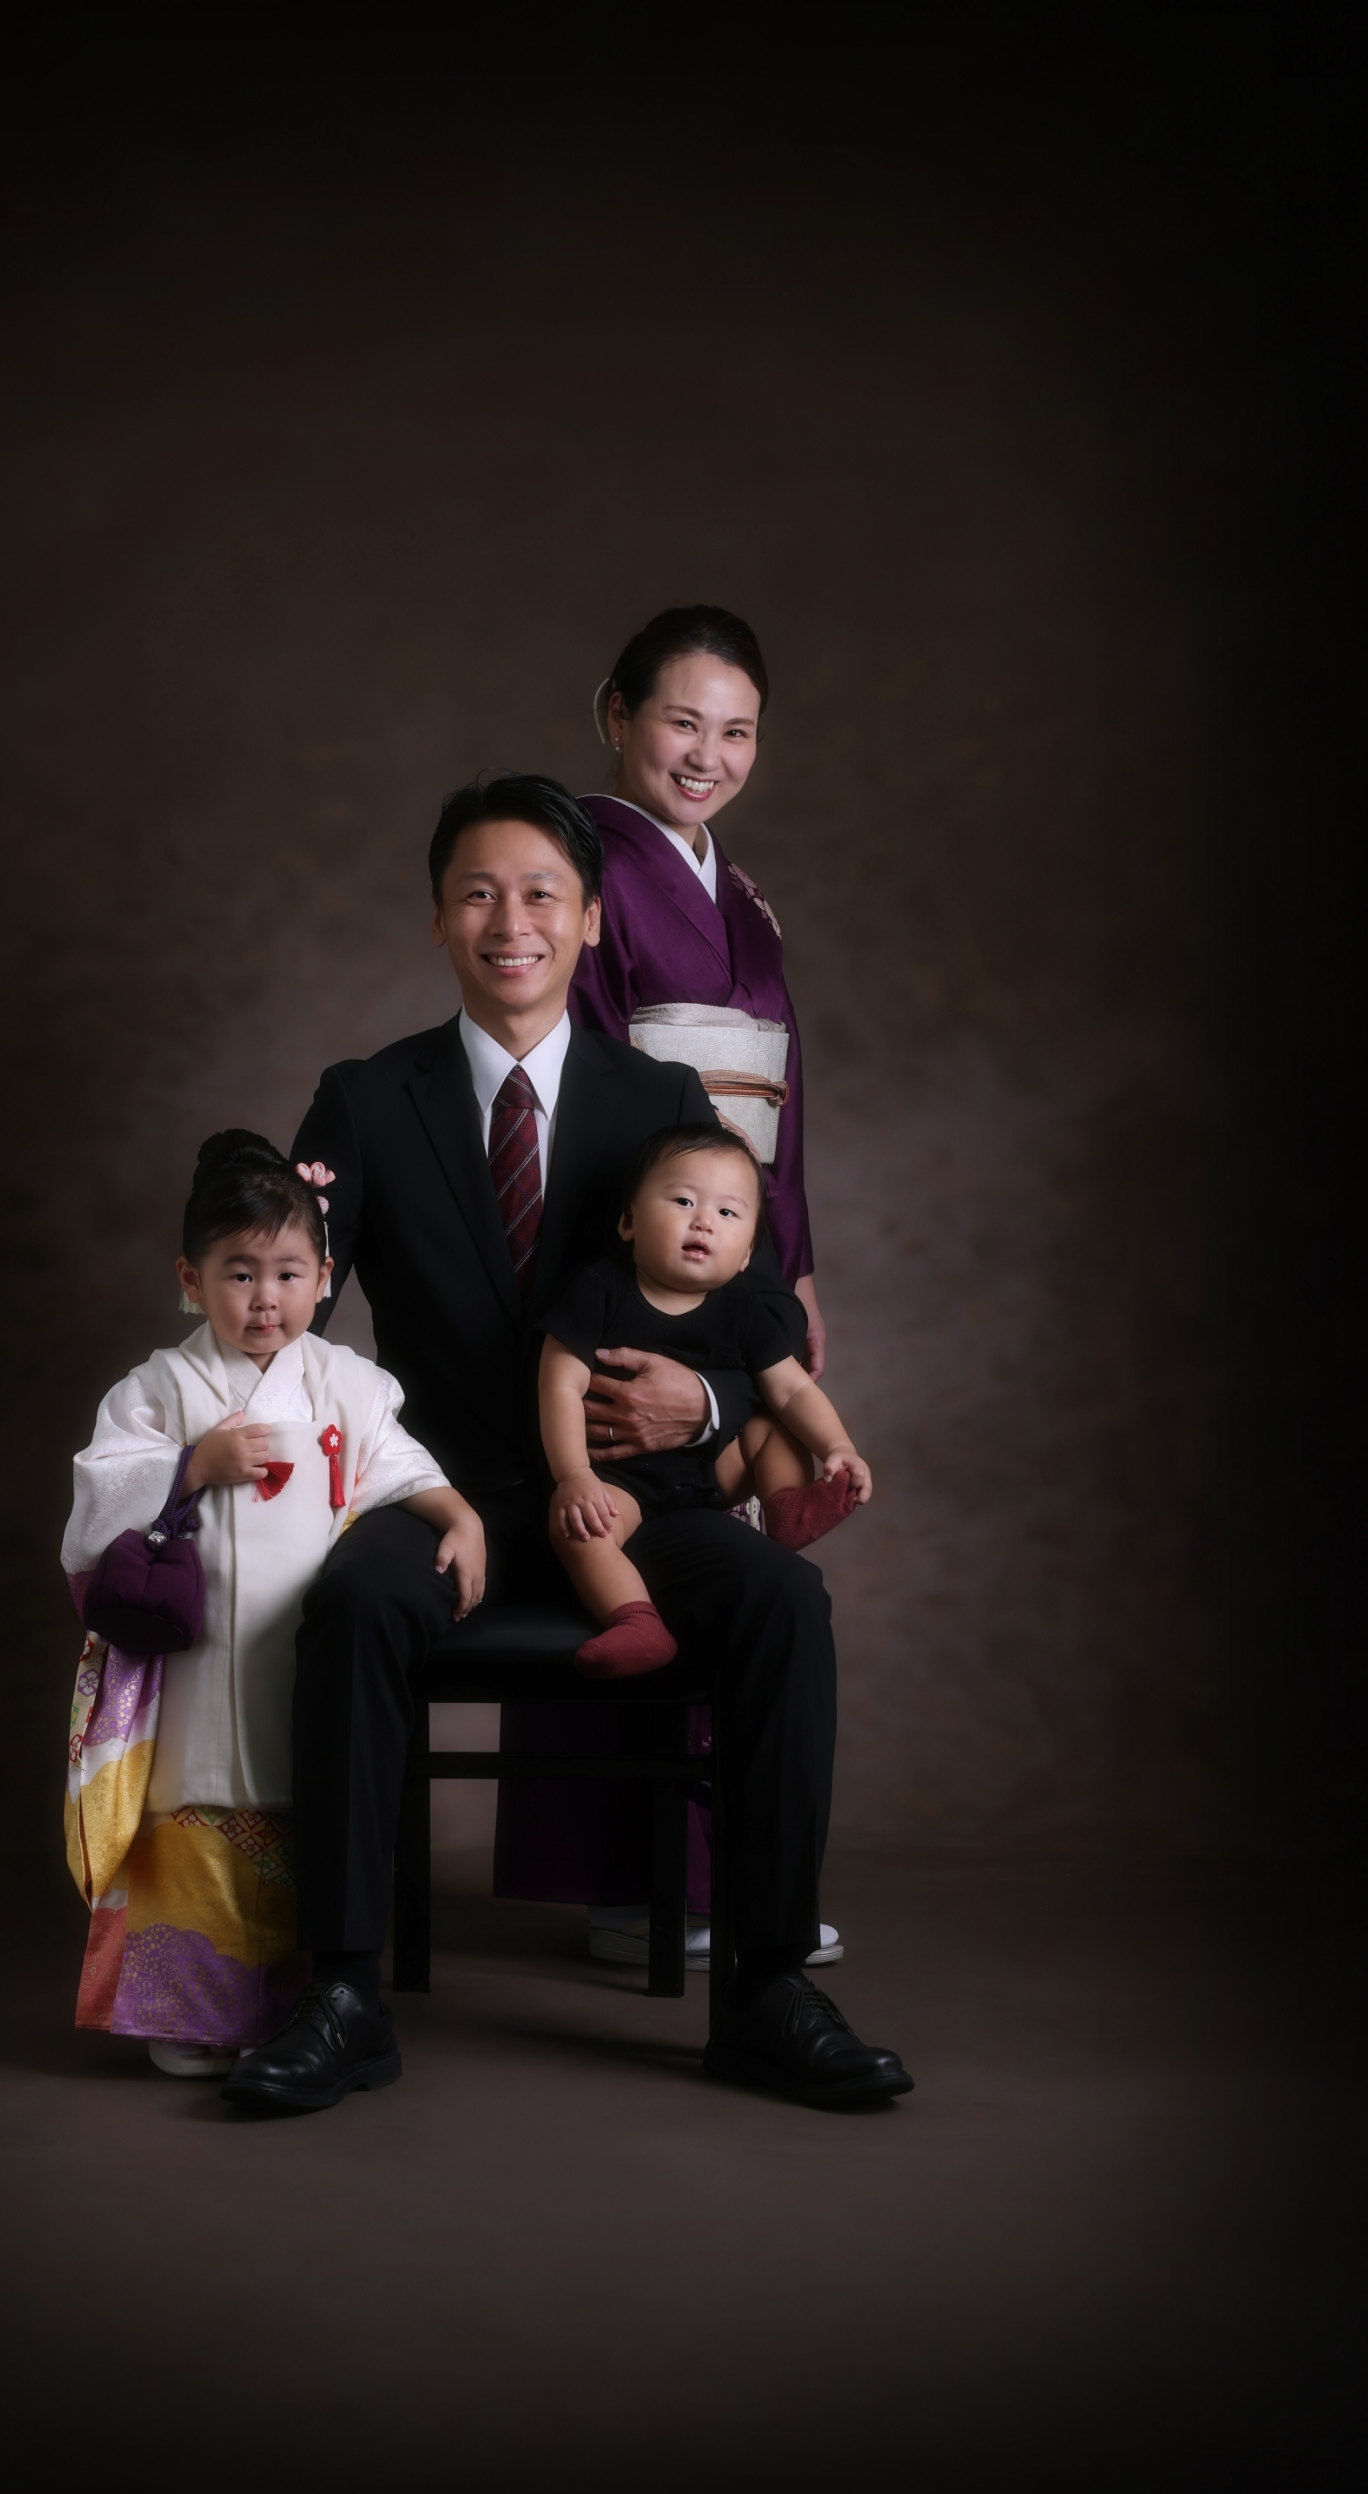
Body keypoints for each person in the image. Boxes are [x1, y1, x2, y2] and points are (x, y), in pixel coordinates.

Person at [221, 773, 913, 2113]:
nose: (511, 921)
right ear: (437, 918)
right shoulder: (364, 1099)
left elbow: (746, 1317)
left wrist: (704, 1409)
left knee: (784, 1602)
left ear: (592, 919)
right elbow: (283, 1307)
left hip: (643, 1505)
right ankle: (342, 1990)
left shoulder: (660, 1097)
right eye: (477, 893)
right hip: (445, 1500)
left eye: (542, 893)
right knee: (352, 1603)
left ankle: (768, 1989)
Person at [495, 605, 844, 1971]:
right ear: (616, 715)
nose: (707, 754)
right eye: (681, 721)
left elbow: (781, 1104)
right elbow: (590, 1096)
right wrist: (654, 1295)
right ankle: (634, 1880)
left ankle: (711, 1873)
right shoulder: (583, 871)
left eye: (736, 731)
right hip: (634, 1254)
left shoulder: (739, 894)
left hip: (727, 1249)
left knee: (727, 1538)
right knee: (637, 1539)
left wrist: (789, 1268)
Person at [61, 1131, 482, 2079]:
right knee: (193, 1813)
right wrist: (187, 1466)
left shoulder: (346, 1383)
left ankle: (299, 2012)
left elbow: (397, 1465)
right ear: (190, 1278)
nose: (265, 1299)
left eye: (289, 1274)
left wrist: (458, 1513)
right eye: (239, 1274)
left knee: (306, 1798)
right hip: (195, 1654)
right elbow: (98, 1495)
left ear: (324, 1278)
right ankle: (187, 2016)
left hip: (296, 1640)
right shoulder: (157, 1389)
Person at [541, 1123, 871, 1678]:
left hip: (712, 1472)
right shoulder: (598, 1290)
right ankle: (636, 1620)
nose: (703, 1222)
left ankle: (786, 1508)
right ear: (628, 1222)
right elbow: (559, 1385)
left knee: (775, 1422)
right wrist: (574, 1475)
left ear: (746, 1255)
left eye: (727, 1212)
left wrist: (838, 1447)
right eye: (683, 1201)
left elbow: (793, 1387)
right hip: (620, 1482)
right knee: (576, 1527)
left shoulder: (742, 1307)